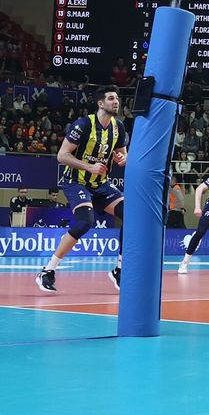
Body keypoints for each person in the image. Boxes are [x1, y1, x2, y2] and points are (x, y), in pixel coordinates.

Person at [38, 85, 130, 294]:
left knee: (131, 216)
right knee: (85, 222)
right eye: (111, 98)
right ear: (100, 103)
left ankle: (119, 269)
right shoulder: (83, 125)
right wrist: (89, 167)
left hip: (101, 185)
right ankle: (48, 270)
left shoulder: (118, 126)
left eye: (117, 98)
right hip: (76, 182)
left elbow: (124, 155)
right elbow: (62, 155)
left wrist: (122, 159)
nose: (116, 101)